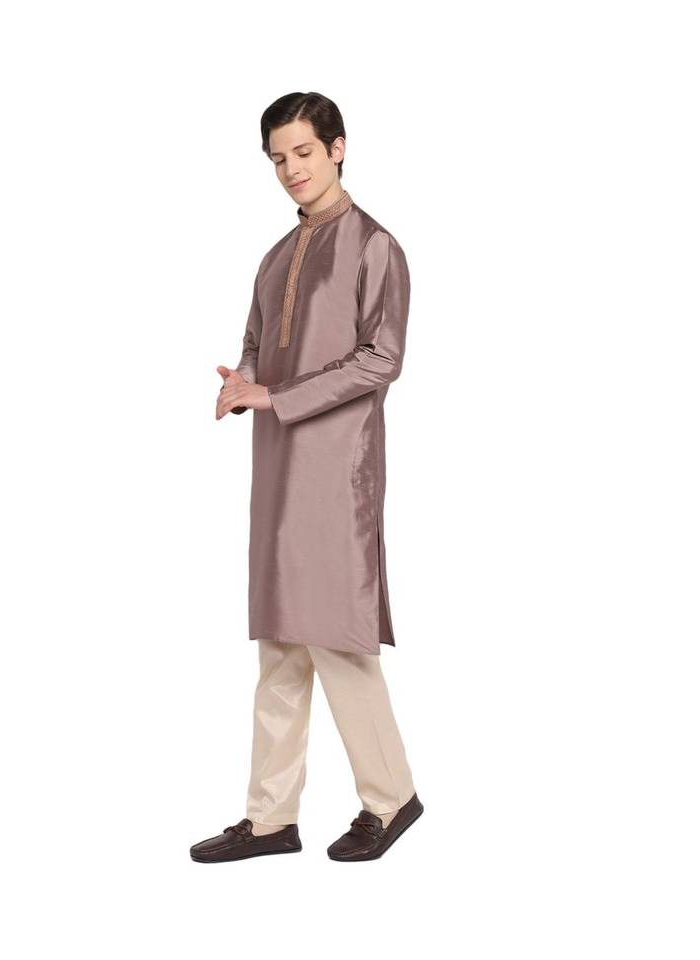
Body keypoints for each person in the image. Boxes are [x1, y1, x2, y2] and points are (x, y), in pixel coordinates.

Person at [191, 92, 423, 863]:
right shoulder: (274, 257)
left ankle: (391, 799)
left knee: (336, 639)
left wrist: (277, 395)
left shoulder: (374, 246)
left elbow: (381, 359)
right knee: (282, 642)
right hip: (279, 466)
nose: (291, 169)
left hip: (338, 469)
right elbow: (257, 343)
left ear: (337, 148)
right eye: (278, 158)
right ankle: (269, 819)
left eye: (303, 152)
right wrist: (243, 382)